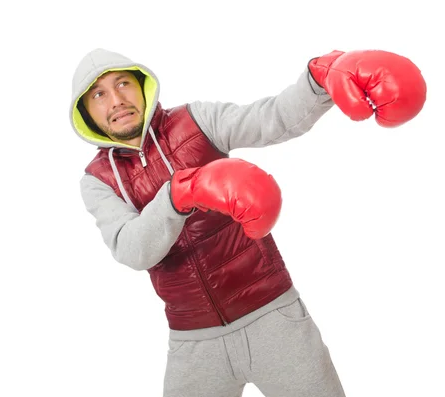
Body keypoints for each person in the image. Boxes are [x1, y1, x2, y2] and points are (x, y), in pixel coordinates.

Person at [68, 47, 426, 397]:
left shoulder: (195, 120)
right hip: (193, 342)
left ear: (142, 86)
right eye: (99, 94)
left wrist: (318, 78)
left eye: (123, 84)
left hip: (274, 318)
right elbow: (132, 249)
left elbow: (270, 120)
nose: (115, 100)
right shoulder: (98, 180)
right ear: (86, 112)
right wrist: (180, 194)